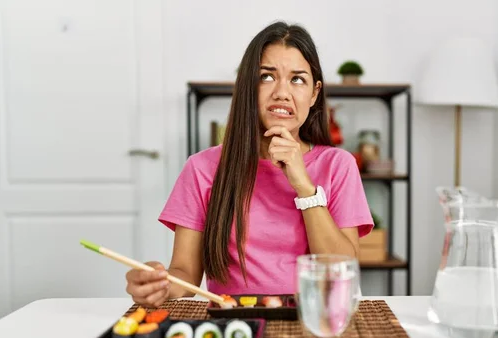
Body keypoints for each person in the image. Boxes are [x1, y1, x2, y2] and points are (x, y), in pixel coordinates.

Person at [125, 21, 373, 307]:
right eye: (266, 77)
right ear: (247, 85)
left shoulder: (338, 165)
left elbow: (341, 271)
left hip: (312, 321)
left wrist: (304, 186)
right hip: (233, 325)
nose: (282, 92)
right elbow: (185, 274)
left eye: (297, 79)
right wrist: (159, 285)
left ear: (315, 93)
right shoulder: (202, 168)